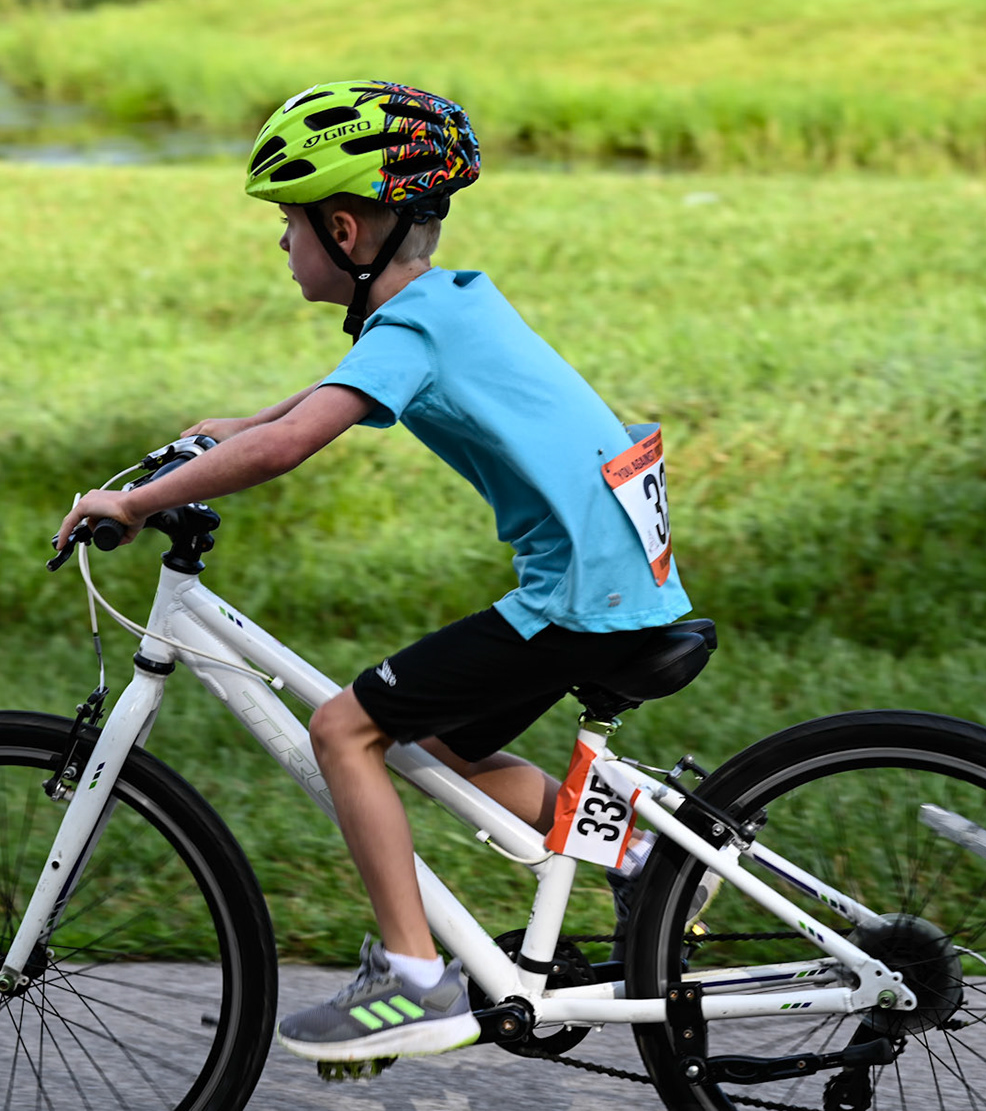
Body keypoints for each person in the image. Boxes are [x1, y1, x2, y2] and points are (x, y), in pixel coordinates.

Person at [53, 79, 695, 1064]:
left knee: (345, 728)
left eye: (290, 221)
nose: (282, 241)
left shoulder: (409, 329)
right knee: (429, 740)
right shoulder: (444, 301)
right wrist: (243, 421)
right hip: (610, 579)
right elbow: (322, 400)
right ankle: (649, 853)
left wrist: (134, 503)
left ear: (345, 230)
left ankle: (413, 978)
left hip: (578, 593)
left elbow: (293, 443)